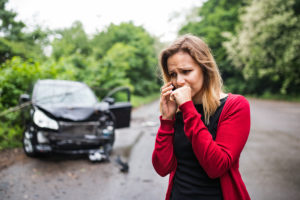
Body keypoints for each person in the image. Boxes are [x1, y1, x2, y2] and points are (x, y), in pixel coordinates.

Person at [152, 34, 251, 200]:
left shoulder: (235, 106)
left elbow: (216, 167)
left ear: (205, 69)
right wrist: (167, 120)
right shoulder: (177, 111)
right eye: (173, 74)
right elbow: (162, 167)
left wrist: (188, 109)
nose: (179, 81)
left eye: (186, 71)